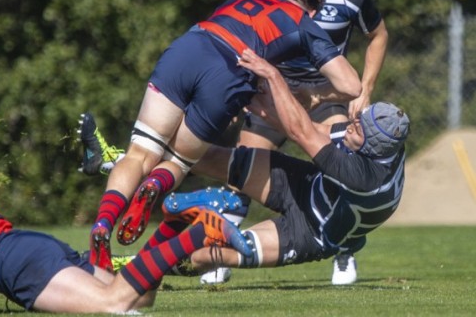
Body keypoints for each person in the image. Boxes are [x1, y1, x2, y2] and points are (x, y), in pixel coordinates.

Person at [87, 0, 363, 272]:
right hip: (230, 72)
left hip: (189, 47)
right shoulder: (304, 22)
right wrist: (315, 94)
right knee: (178, 162)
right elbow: (351, 86)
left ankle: (103, 222)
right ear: (313, 9)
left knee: (140, 152)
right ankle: (154, 185)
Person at [0, 148, 253, 315]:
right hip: (27, 245)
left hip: (13, 263)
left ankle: (196, 234)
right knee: (139, 298)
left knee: (112, 305)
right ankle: (170, 228)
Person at [160, 49, 408, 283]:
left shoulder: (364, 178)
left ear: (372, 147)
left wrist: (272, 74)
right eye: (357, 121)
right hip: (308, 185)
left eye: (358, 128)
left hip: (311, 231)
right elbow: (318, 130)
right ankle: (137, 163)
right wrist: (260, 107)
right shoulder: (378, 143)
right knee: (210, 157)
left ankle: (141, 266)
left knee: (209, 255)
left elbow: (302, 132)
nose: (351, 123)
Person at [235, 0, 388, 285]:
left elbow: (378, 35)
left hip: (327, 94)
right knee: (241, 163)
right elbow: (246, 30)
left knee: (341, 166)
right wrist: (245, 89)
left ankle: (345, 251)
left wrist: (364, 90)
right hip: (277, 89)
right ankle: (222, 248)